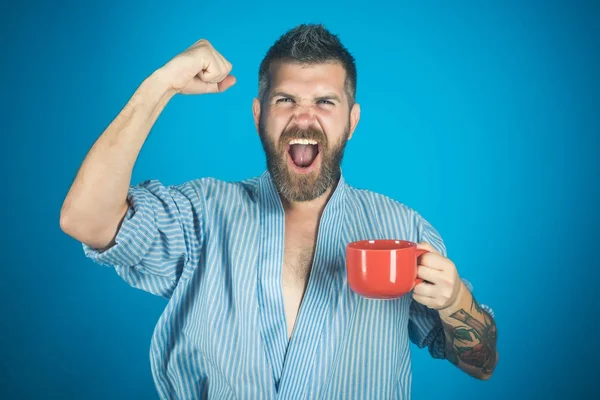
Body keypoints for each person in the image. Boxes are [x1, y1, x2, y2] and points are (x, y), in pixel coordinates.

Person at [60, 24, 498, 399]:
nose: (304, 118)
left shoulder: (404, 230)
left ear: (352, 121)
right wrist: (163, 83)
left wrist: (456, 299)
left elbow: (481, 365)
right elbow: (85, 219)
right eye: (285, 100)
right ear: (258, 115)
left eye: (325, 102)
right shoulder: (202, 213)